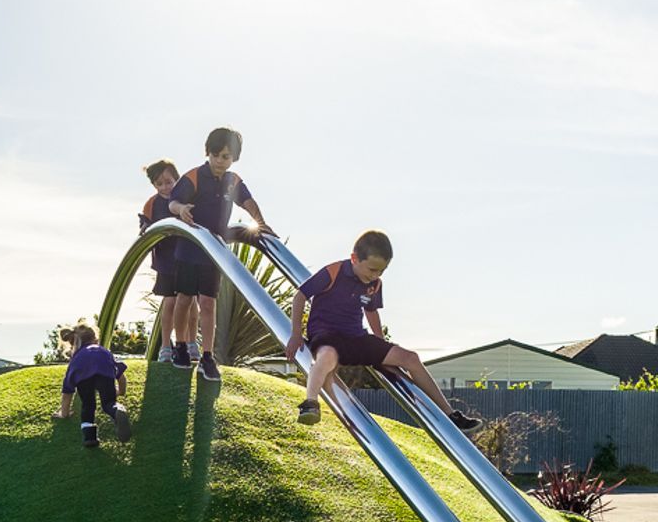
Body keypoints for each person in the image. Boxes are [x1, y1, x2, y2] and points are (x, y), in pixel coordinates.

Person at [284, 231, 481, 432]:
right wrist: (296, 333)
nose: (375, 275)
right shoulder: (333, 271)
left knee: (411, 358)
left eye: (381, 271)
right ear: (355, 259)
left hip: (356, 337)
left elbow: (371, 311)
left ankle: (450, 414)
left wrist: (381, 344)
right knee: (326, 358)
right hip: (327, 335)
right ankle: (310, 403)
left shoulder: (375, 284)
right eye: (372, 269)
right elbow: (300, 295)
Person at [168, 126, 274, 382]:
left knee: (208, 302)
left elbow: (247, 202)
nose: (220, 161)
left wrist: (260, 222)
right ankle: (180, 345)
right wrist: (181, 209)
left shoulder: (233, 180)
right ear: (208, 153)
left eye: (226, 157)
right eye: (216, 155)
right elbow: (172, 202)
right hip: (190, 245)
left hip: (213, 250)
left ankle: (207, 356)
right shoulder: (194, 176)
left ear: (234, 158)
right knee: (184, 298)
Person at [53, 321, 132, 449]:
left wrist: (64, 413)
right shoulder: (103, 352)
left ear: (72, 343)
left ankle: (90, 438)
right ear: (95, 339)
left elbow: (67, 391)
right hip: (105, 376)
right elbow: (120, 375)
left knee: (88, 406)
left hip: (84, 381)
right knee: (108, 403)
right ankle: (117, 410)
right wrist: (121, 391)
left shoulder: (76, 360)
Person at [139, 160, 186, 364]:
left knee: (188, 301)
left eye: (169, 181)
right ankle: (166, 345)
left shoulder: (185, 198)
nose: (166, 187)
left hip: (187, 257)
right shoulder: (152, 204)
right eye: (160, 184)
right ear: (155, 186)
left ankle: (186, 343)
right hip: (166, 260)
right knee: (169, 301)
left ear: (177, 179)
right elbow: (145, 227)